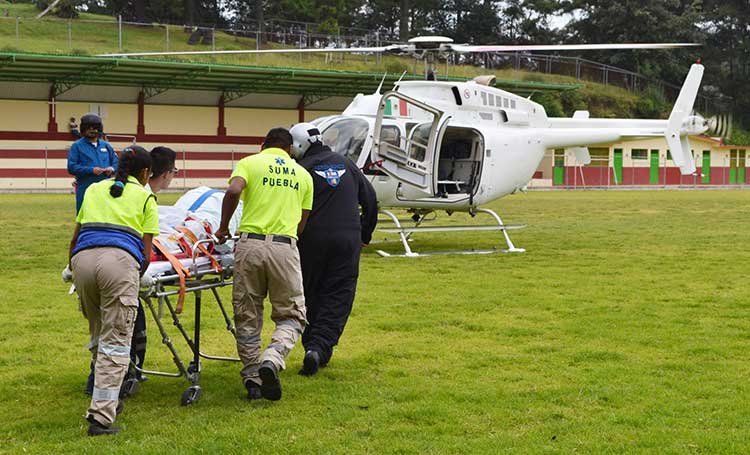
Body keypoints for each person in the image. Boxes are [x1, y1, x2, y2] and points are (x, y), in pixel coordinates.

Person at [214, 128, 313, 402]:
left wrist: (223, 227)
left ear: (263, 146)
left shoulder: (250, 163)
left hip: (250, 246)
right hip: (285, 245)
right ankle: (272, 357)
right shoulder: (303, 175)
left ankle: (253, 379)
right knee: (292, 315)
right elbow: (302, 223)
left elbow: (234, 189)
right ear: (290, 150)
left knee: (247, 313)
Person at [67, 145, 159, 436]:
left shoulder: (94, 189)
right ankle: (101, 417)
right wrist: (134, 277)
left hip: (82, 260)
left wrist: (72, 267)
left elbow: (76, 234)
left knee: (99, 337)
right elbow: (145, 255)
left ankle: (104, 394)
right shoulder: (146, 196)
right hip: (118, 264)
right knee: (117, 341)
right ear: (145, 173)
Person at [289, 122, 378, 376]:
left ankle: (311, 344)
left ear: (297, 145)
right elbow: (370, 200)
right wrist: (365, 234)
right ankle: (320, 347)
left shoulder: (301, 170)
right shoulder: (346, 164)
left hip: (311, 241)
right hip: (347, 241)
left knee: (310, 292)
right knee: (339, 294)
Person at [119, 146, 178, 397]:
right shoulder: (145, 197)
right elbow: (146, 243)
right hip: (124, 264)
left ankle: (129, 368)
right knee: (129, 317)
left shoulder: (124, 190)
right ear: (165, 174)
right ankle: (128, 370)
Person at [67, 113, 117, 213]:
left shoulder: (106, 146)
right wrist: (91, 170)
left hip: (105, 190)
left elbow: (117, 163)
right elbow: (71, 167)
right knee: (85, 217)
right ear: (83, 129)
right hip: (86, 189)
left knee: (105, 217)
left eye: (95, 128)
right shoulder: (76, 146)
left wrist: (112, 169)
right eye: (88, 128)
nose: (92, 130)